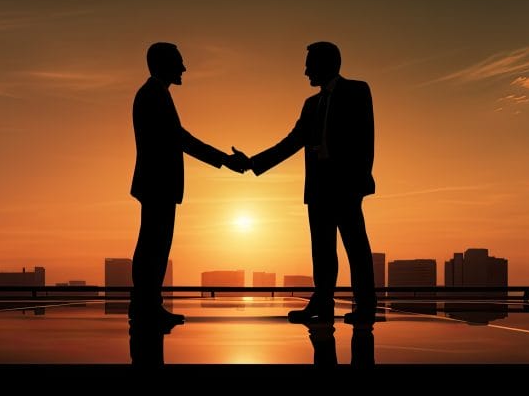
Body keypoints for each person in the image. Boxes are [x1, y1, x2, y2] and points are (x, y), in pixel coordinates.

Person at [239, 42, 378, 323]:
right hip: (319, 188)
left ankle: (365, 306)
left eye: (309, 64)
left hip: (347, 186)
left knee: (356, 247)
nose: (305, 71)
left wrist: (359, 180)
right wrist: (253, 163)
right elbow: (292, 142)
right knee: (323, 248)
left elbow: (366, 139)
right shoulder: (311, 104)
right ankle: (323, 302)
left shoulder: (357, 91)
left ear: (326, 64)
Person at [130, 42, 248, 324]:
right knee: (154, 245)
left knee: (153, 244)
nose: (184, 68)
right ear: (163, 64)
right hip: (157, 182)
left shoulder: (154, 94)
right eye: (179, 62)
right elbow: (181, 139)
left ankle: (146, 304)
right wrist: (225, 160)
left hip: (156, 182)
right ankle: (147, 306)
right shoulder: (154, 95)